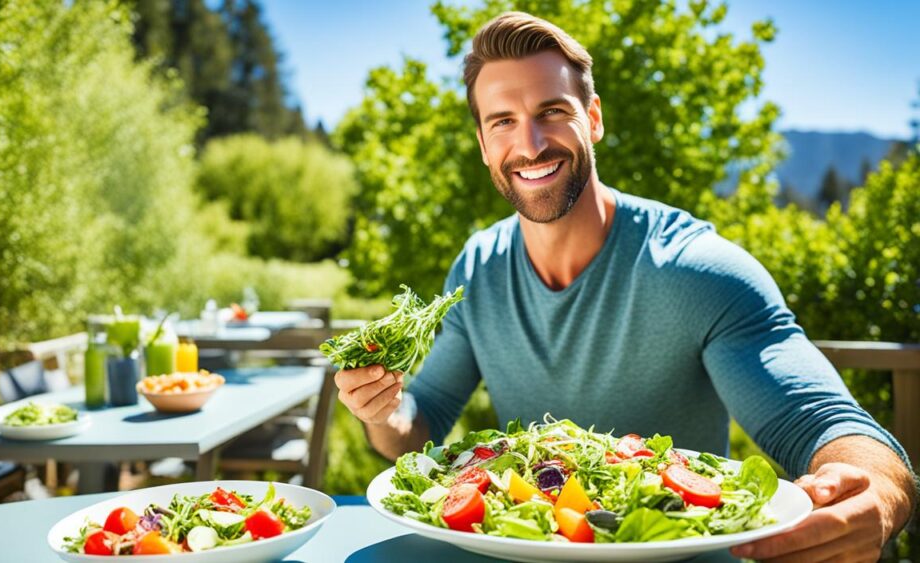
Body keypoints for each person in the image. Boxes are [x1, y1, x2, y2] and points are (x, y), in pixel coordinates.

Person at [334, 11, 916, 561]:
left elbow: (825, 423)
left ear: (593, 119)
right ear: (485, 144)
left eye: (553, 111)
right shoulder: (478, 268)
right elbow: (420, 426)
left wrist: (879, 493)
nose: (531, 144)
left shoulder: (696, 269)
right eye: (503, 121)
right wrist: (381, 411)